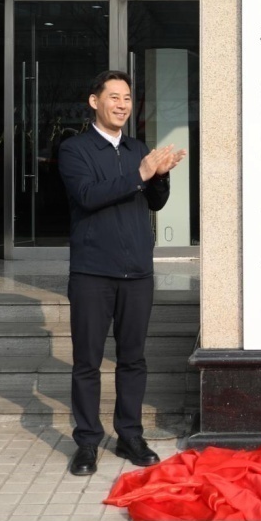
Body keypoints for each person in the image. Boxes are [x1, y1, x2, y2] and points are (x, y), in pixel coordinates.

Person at [58, 70, 186, 476]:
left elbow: (155, 203)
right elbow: (87, 196)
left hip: (137, 273)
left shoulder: (137, 149)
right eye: (114, 97)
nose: (122, 105)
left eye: (127, 98)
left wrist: (160, 175)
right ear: (94, 101)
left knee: (133, 359)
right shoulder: (75, 149)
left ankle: (130, 435)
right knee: (87, 362)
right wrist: (141, 174)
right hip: (92, 272)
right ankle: (87, 442)